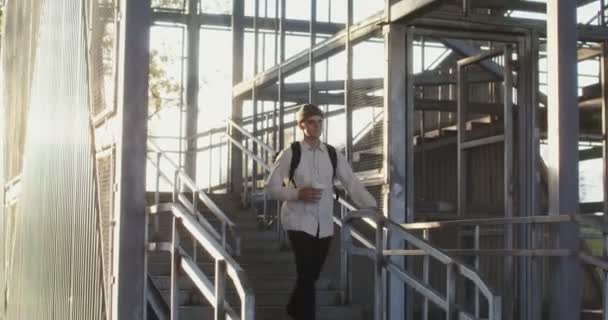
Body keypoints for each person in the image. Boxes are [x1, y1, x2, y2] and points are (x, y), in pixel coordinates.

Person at [265, 103, 377, 320]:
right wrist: (297, 194)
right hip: (298, 222)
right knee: (306, 275)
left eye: (319, 122)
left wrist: (372, 207)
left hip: (325, 225)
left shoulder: (333, 154)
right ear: (302, 125)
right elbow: (271, 186)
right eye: (311, 122)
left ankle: (293, 308)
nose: (316, 126)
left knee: (310, 276)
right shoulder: (291, 153)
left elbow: (352, 182)